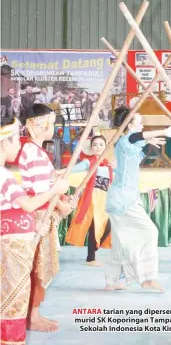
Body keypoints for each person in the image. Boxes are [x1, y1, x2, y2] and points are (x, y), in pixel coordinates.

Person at [0, 117, 68, 345]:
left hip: (18, 241)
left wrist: (32, 223)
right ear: (3, 144)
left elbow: (15, 210)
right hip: (13, 247)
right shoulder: (4, 175)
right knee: (13, 300)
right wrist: (55, 191)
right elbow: (28, 204)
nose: (18, 145)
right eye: (14, 141)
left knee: (13, 297)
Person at [104, 106, 171, 292]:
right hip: (123, 199)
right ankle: (147, 278)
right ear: (129, 124)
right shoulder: (127, 139)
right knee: (150, 231)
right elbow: (138, 137)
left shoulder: (129, 144)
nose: (142, 124)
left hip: (123, 196)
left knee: (120, 241)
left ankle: (112, 281)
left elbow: (140, 147)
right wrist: (164, 131)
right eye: (139, 121)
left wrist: (152, 141)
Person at [18, 104, 72, 332]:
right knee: (38, 268)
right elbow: (41, 190)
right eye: (50, 123)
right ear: (40, 125)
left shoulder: (35, 151)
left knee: (39, 267)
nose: (53, 127)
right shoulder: (33, 151)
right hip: (40, 215)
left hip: (41, 212)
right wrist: (61, 204)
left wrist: (55, 177)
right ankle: (32, 316)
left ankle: (34, 314)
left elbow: (43, 182)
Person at [65, 134, 114, 266]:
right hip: (92, 198)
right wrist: (60, 172)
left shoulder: (108, 164)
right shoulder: (89, 162)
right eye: (95, 145)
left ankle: (92, 253)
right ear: (91, 148)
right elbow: (73, 169)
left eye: (101, 145)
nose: (98, 147)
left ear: (105, 147)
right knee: (94, 226)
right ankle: (91, 258)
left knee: (107, 226)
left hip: (104, 199)